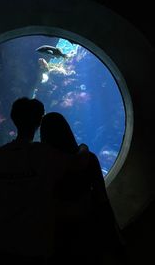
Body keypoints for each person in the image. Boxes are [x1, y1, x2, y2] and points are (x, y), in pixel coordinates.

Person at [0, 98, 78, 264]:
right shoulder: (44, 154)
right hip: (36, 244)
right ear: (39, 121)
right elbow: (76, 164)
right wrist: (83, 149)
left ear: (13, 118)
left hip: (3, 241)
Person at [40, 112, 126, 265]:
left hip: (58, 233)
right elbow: (102, 197)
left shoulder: (43, 166)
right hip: (89, 229)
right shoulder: (88, 158)